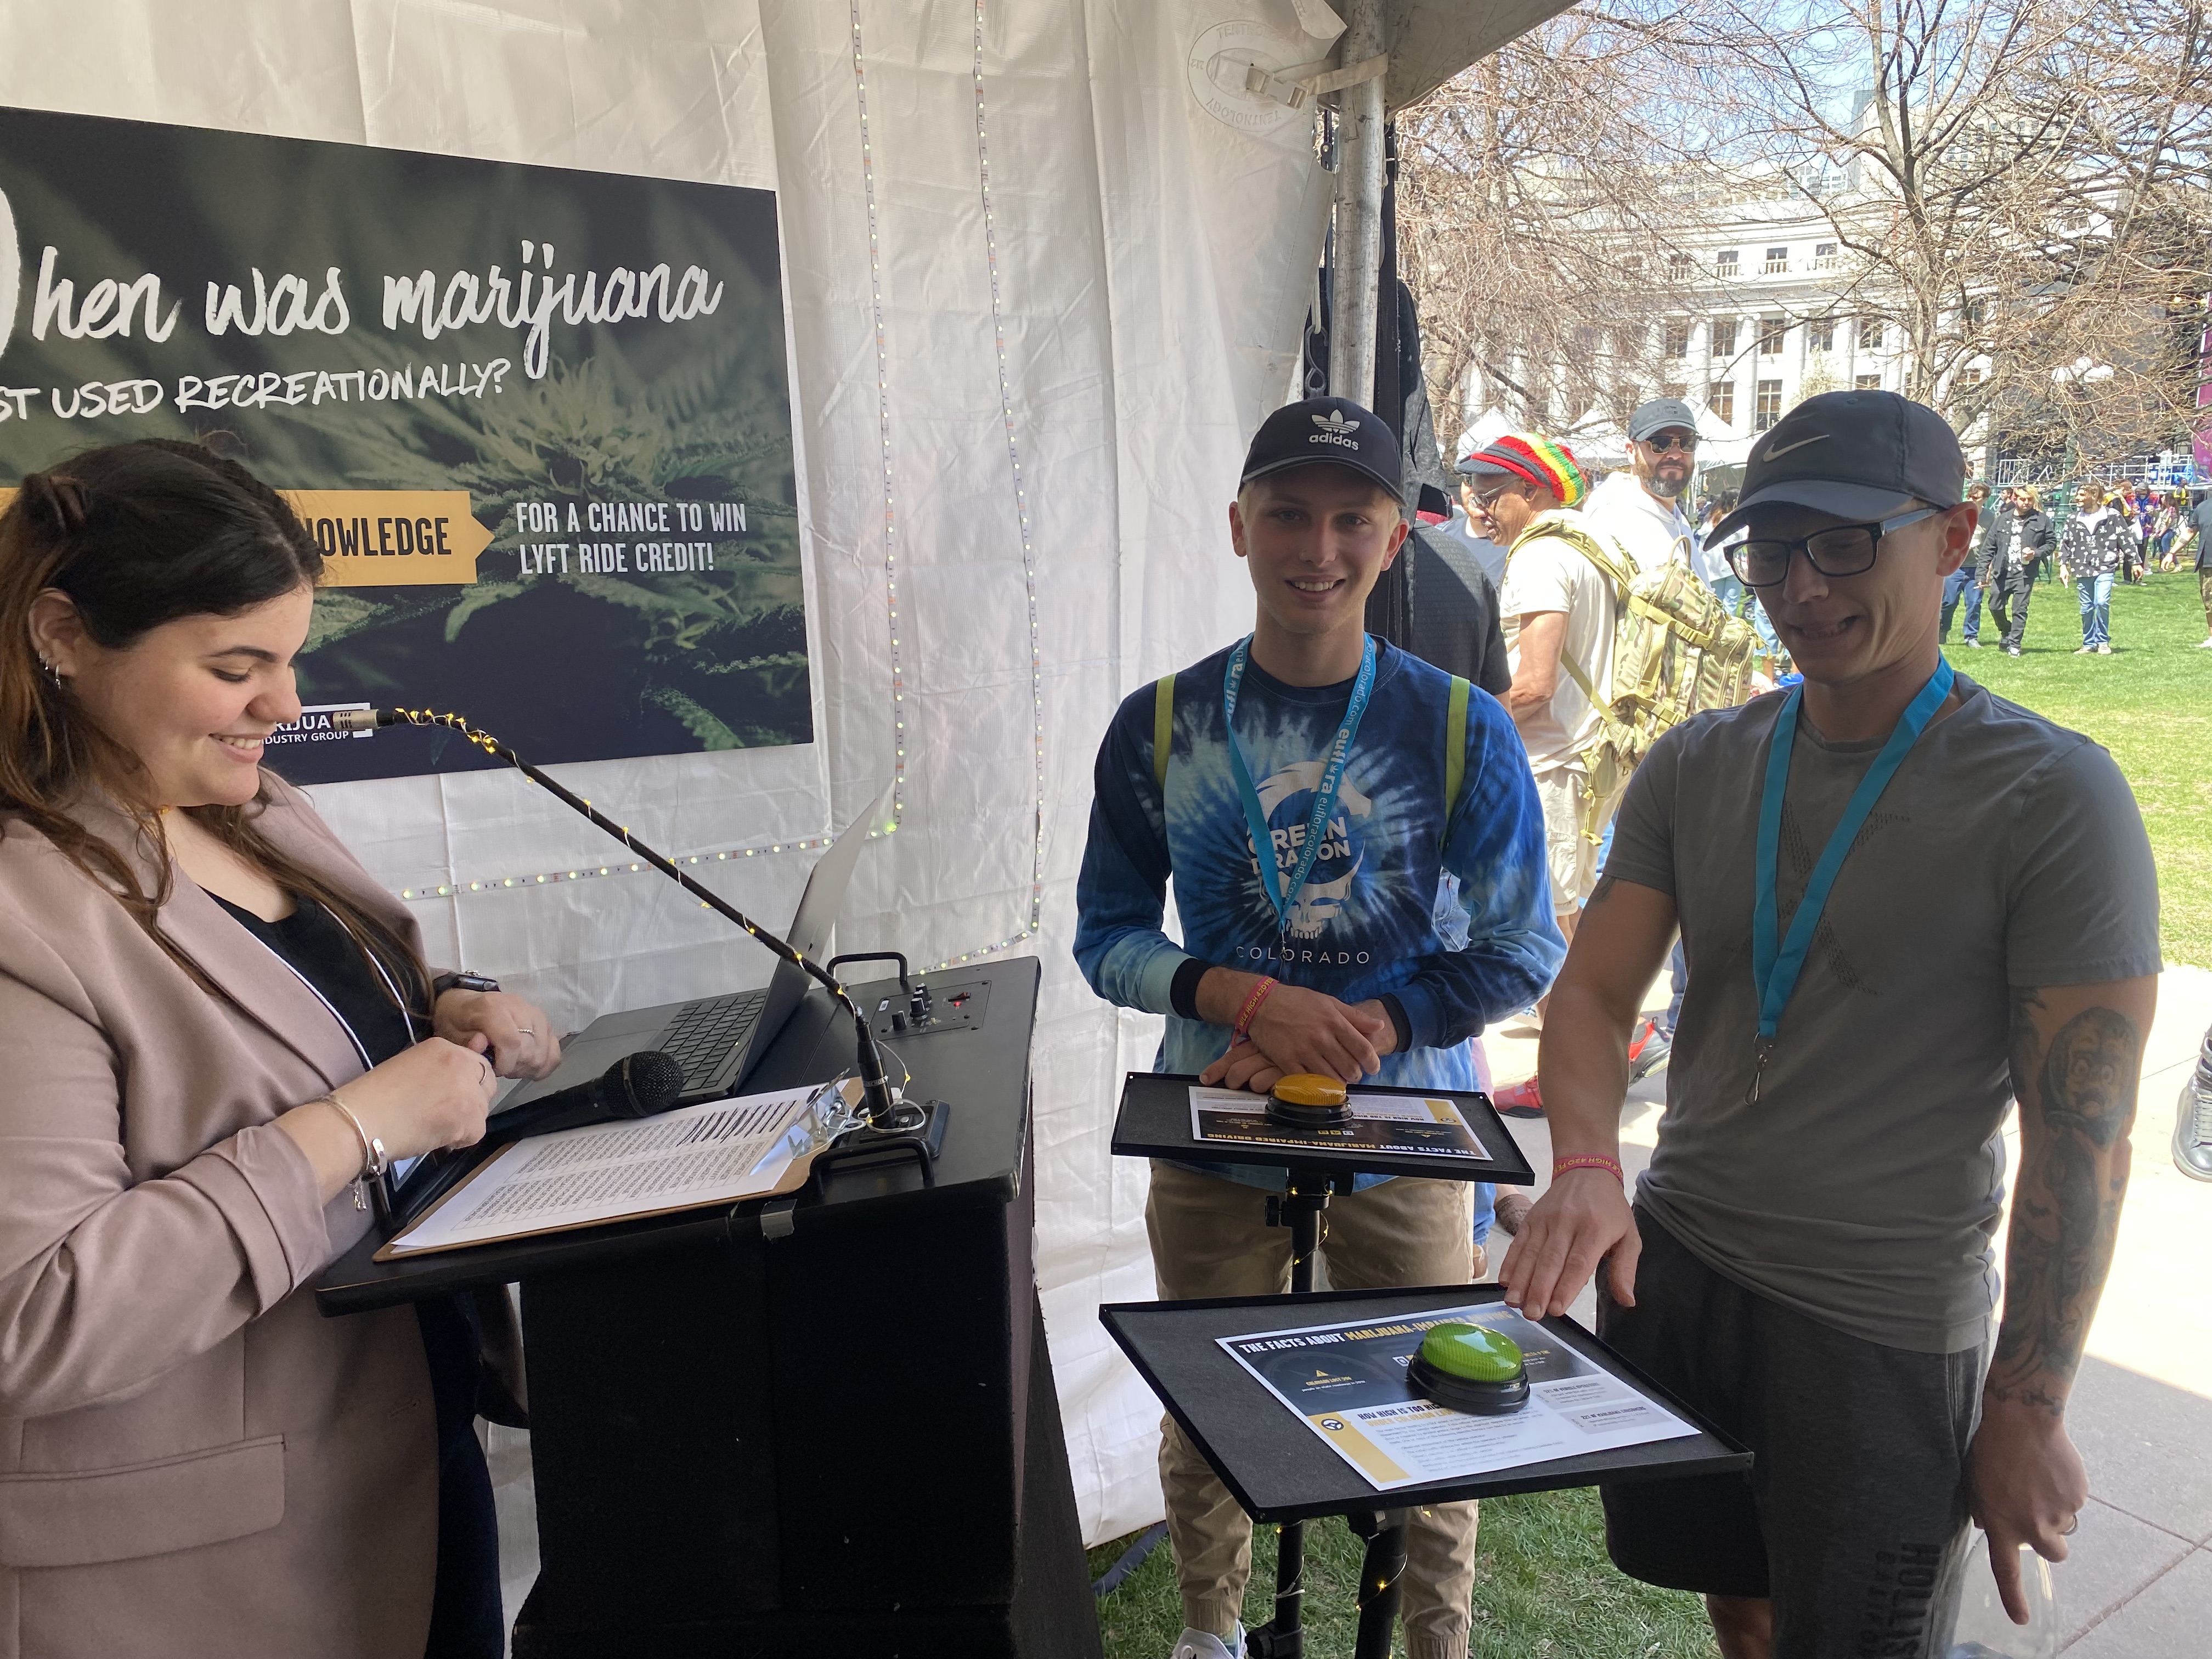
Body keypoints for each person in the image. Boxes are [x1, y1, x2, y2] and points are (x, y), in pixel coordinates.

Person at [1499, 390, 2160, 1659]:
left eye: (1846, 542)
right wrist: (1586, 1164)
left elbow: (2085, 1138)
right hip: (1684, 1272)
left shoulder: (2052, 798)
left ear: (1955, 536)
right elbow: (1588, 996)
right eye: (1773, 548)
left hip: (1881, 1329)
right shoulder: (1698, 764)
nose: (1801, 586)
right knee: (1740, 1611)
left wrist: (2029, 1401)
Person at [0, 440, 564, 1657]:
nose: (286, 706)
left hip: (408, 1458)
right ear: (62, 633)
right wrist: (360, 1126)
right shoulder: (18, 912)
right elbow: (36, 1316)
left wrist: (438, 1010)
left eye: (290, 659)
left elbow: (283, 1012)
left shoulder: (245, 803)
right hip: (215, 1573)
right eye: (234, 666)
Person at [1073, 395, 1564, 1659]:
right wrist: (1239, 997)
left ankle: (1433, 1642)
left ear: (1397, 538)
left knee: (1435, 1401)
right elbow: (1107, 936)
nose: (1318, 545)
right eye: (1288, 511)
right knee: (1211, 1392)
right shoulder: (1162, 726)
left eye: (1353, 518)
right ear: (1239, 526)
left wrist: (1369, 1020)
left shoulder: (1460, 728)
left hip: (1409, 1132)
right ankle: (1211, 1630)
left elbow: (1524, 946)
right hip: (1213, 1126)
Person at [1462, 434, 1669, 1099]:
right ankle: (1605, 1044)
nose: (1479, 507)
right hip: (1592, 761)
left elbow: (1534, 684)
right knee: (1568, 918)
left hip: (1554, 765)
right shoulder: (1591, 543)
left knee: (1549, 930)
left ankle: (1566, 1076)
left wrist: (1450, 729)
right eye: (1474, 491)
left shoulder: (1542, 557)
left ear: (1537, 493)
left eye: (1494, 494)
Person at [1583, 397, 1700, 574]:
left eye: (1687, 443)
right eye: (1660, 443)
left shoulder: (1679, 520)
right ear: (1631, 451)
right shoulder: (1611, 522)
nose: (1676, 454)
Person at [1978, 486, 2056, 658]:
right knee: (1994, 606)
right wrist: (1982, 573)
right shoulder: (2002, 520)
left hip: (2024, 574)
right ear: (2015, 499)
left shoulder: (2042, 520)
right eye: (2022, 499)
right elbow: (1989, 548)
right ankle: (2006, 631)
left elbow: (2051, 544)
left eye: (2030, 499)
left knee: (2019, 610)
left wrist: (2035, 553)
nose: (2026, 503)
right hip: (2002, 572)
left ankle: (2015, 644)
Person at [2057, 482, 2128, 654]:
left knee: (2102, 602)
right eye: (2078, 495)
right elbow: (2065, 543)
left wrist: (2135, 563)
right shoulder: (2073, 519)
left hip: (2106, 566)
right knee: (2086, 608)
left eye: (2082, 495)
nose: (2077, 499)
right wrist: (2063, 566)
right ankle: (2089, 643)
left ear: (2095, 496)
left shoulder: (2112, 515)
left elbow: (2125, 538)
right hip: (2082, 567)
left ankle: (2103, 641)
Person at [1940, 482, 1991, 646]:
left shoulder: (1990, 518)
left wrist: (1989, 569)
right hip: (1955, 566)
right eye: (1969, 495)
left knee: (1974, 603)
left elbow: (1992, 545)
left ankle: (1971, 637)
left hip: (1977, 567)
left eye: (1976, 498)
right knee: (1948, 602)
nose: (1971, 499)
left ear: (1985, 499)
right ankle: (1942, 631)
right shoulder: (1958, 513)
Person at [2190, 489, 2212, 647]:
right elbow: (2191, 530)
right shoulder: (2203, 507)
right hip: (2207, 562)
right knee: (2209, 602)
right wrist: (2171, 553)